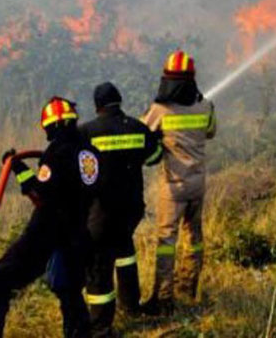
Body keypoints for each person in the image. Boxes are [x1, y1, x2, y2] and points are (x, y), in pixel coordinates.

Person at [0, 97, 101, 338]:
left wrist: (18, 168)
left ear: (51, 126)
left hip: (46, 231)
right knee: (70, 289)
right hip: (77, 230)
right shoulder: (90, 153)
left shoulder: (56, 153)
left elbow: (42, 194)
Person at [79, 82, 162, 337]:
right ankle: (131, 306)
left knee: (99, 266)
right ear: (120, 101)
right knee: (125, 253)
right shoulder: (137, 127)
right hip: (131, 209)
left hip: (100, 213)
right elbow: (155, 157)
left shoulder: (86, 132)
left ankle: (101, 326)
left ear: (97, 106)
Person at [141, 49, 216, 315]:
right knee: (194, 237)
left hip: (173, 187)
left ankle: (163, 299)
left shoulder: (160, 110)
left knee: (166, 241)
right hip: (198, 184)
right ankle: (188, 288)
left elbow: (141, 134)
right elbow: (210, 132)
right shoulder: (206, 105)